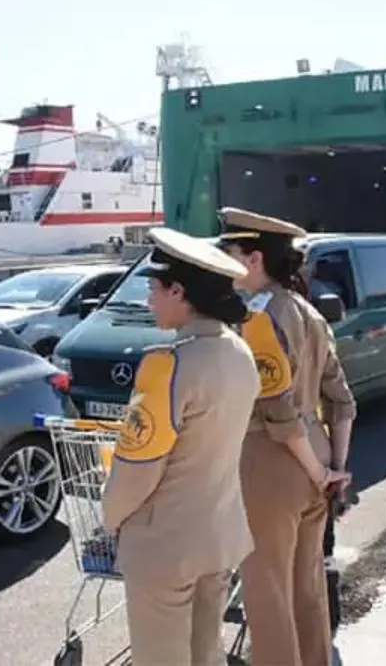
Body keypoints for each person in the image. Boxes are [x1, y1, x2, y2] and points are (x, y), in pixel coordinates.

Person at [101, 226, 261, 666]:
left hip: (165, 546)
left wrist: (110, 518)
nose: (149, 299)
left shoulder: (167, 367)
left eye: (154, 288)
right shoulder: (239, 353)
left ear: (179, 291)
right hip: (218, 536)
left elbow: (137, 470)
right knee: (206, 654)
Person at [216, 207, 357, 666]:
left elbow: (278, 411)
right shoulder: (308, 312)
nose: (225, 264)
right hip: (314, 458)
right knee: (307, 590)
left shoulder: (258, 319)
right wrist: (334, 468)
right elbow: (342, 401)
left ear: (253, 259)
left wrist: (318, 471)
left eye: (230, 253)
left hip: (272, 462)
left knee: (268, 597)